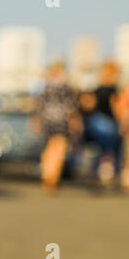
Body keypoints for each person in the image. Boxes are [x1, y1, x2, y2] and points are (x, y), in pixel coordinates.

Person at [35, 61, 82, 193]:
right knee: (58, 150)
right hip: (61, 122)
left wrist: (37, 122)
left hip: (48, 122)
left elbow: (39, 107)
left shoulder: (46, 87)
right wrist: (75, 122)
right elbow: (72, 107)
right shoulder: (66, 88)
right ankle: (52, 176)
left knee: (49, 150)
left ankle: (47, 174)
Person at [82, 61, 121, 185]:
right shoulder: (113, 89)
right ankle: (109, 171)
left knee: (100, 149)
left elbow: (87, 105)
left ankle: (98, 171)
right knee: (112, 148)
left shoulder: (97, 89)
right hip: (107, 123)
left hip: (94, 123)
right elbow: (116, 108)